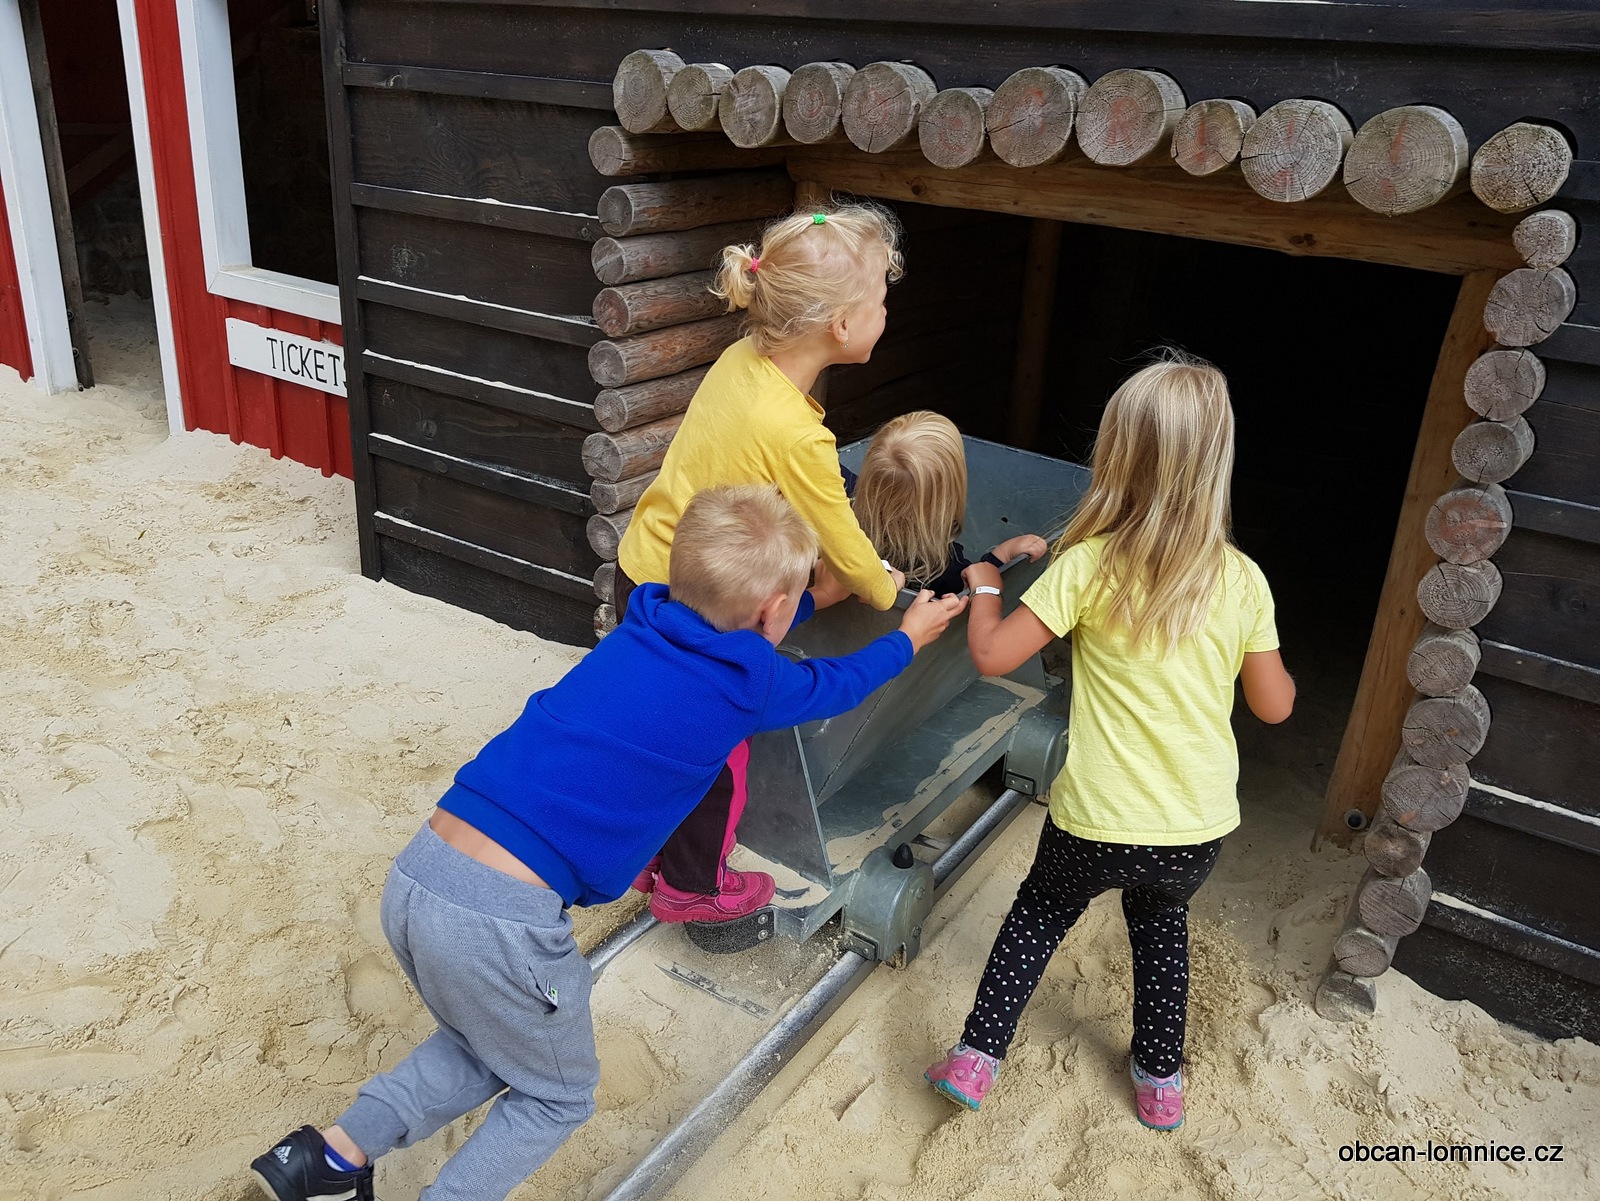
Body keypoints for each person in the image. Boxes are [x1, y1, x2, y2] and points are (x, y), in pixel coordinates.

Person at [249, 485, 966, 1201]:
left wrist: (807, 600)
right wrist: (909, 636)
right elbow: (836, 682)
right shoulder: (745, 686)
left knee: (488, 1043)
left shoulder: (645, 622)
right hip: (501, 923)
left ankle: (328, 1159)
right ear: (770, 612)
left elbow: (729, 625)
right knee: (557, 1096)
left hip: (420, 875)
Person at [924, 353, 1295, 1131]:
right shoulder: (1243, 581)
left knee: (1036, 916)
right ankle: (1160, 1081)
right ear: (1216, 464)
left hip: (1093, 819)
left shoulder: (1089, 567)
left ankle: (975, 1057)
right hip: (1192, 830)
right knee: (1160, 928)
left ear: (1118, 458)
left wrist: (985, 586)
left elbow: (992, 654)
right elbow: (1273, 707)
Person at [616, 202, 908, 926]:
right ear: (841, 325)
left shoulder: (740, 361)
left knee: (657, 731)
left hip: (645, 569)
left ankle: (644, 850)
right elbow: (849, 551)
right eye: (880, 300)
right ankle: (694, 888)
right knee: (717, 756)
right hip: (703, 608)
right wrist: (883, 586)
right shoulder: (799, 437)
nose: (885, 312)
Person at [848, 410, 1049, 595]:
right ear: (949, 495)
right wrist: (1000, 556)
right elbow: (971, 589)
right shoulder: (942, 570)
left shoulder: (841, 513)